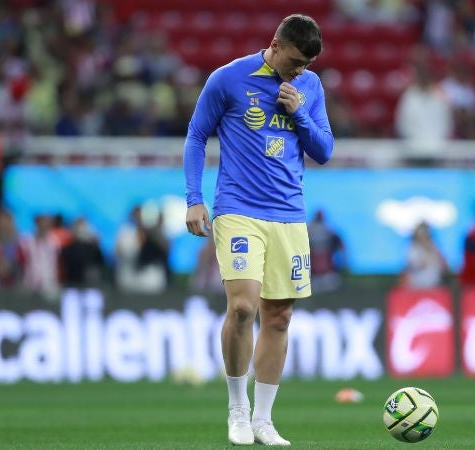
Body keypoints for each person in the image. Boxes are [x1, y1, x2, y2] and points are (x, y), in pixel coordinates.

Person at [183, 14, 333, 446]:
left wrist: (299, 113)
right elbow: (196, 136)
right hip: (238, 209)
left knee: (279, 316)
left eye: (307, 64)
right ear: (276, 44)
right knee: (244, 308)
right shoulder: (229, 79)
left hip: (288, 213)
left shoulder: (310, 88)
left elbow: (323, 150)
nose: (300, 70)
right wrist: (194, 197)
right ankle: (236, 408)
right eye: (296, 60)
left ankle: (263, 419)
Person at [400, 221, 449, 289]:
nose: (423, 235)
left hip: (434, 285)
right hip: (416, 286)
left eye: (425, 232)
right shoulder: (412, 248)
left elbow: (444, 266)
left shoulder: (435, 247)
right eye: (421, 232)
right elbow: (413, 266)